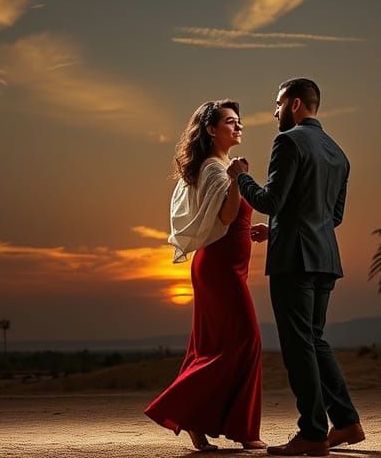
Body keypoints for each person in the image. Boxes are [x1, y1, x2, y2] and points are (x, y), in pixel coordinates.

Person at [228, 79, 364, 457]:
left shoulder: (288, 142)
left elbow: (271, 200)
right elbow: (331, 216)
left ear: (296, 103)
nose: (274, 112)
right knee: (315, 340)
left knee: (298, 344)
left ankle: (313, 433)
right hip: (324, 258)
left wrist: (241, 177)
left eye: (277, 104)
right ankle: (347, 423)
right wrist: (275, 231)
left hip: (294, 261)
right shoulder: (339, 153)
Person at [145, 99, 267, 451]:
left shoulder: (221, 166)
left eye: (239, 121)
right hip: (219, 268)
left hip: (227, 266)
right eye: (231, 121)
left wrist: (254, 228)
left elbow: (228, 220)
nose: (239, 126)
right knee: (247, 340)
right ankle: (239, 430)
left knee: (211, 345)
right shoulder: (217, 169)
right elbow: (227, 217)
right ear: (212, 129)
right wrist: (238, 178)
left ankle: (195, 423)